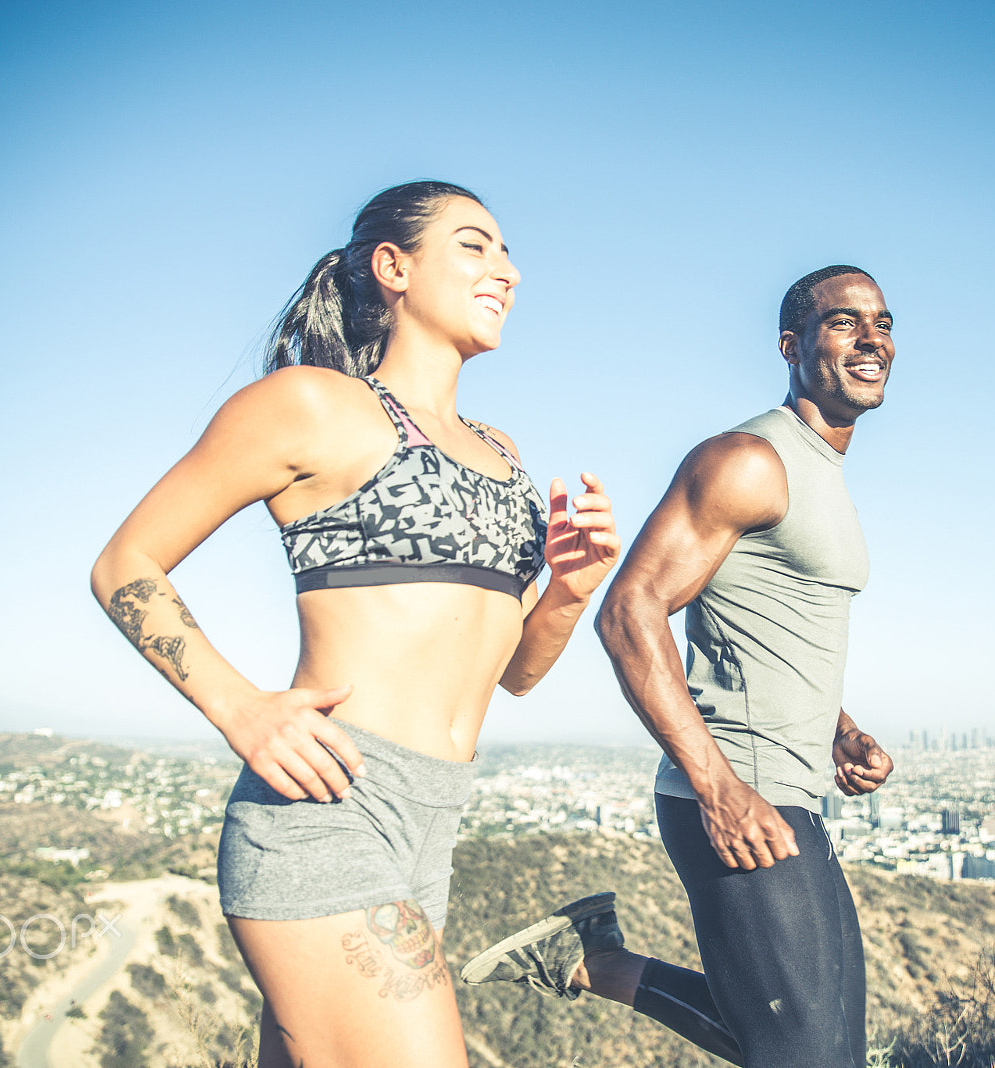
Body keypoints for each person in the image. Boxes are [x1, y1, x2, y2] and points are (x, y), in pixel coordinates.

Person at [90, 181, 619, 1068]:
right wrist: (242, 709)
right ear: (394, 266)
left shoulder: (505, 454)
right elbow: (125, 565)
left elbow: (513, 673)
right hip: (326, 814)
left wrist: (570, 586)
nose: (509, 272)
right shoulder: (313, 405)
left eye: (507, 254)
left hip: (433, 827)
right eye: (475, 246)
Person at [462, 265, 895, 1067]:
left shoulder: (822, 476)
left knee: (829, 1054)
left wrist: (839, 726)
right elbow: (629, 611)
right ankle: (596, 961)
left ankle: (590, 956)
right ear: (791, 345)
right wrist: (719, 788)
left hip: (788, 786)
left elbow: (767, 626)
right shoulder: (749, 460)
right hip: (739, 789)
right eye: (844, 323)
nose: (872, 339)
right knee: (804, 1058)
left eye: (882, 323)